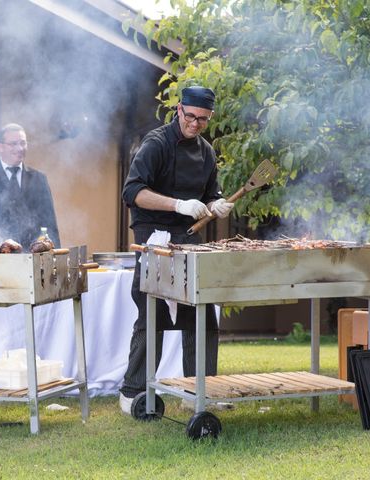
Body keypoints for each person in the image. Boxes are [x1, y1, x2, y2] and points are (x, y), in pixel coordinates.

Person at [118, 86, 234, 414]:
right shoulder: (156, 143)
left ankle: (200, 390)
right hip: (153, 239)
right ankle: (132, 393)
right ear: (180, 109)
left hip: (187, 241)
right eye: (192, 117)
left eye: (204, 120)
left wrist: (217, 203)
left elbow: (212, 193)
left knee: (201, 315)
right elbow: (133, 192)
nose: (196, 124)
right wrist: (178, 204)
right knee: (151, 314)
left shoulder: (207, 152)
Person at [0, 123, 60, 250]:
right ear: (0, 147)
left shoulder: (39, 179)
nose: (20, 148)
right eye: (13, 144)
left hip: (31, 258)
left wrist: (55, 260)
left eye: (23, 143)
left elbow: (50, 225)